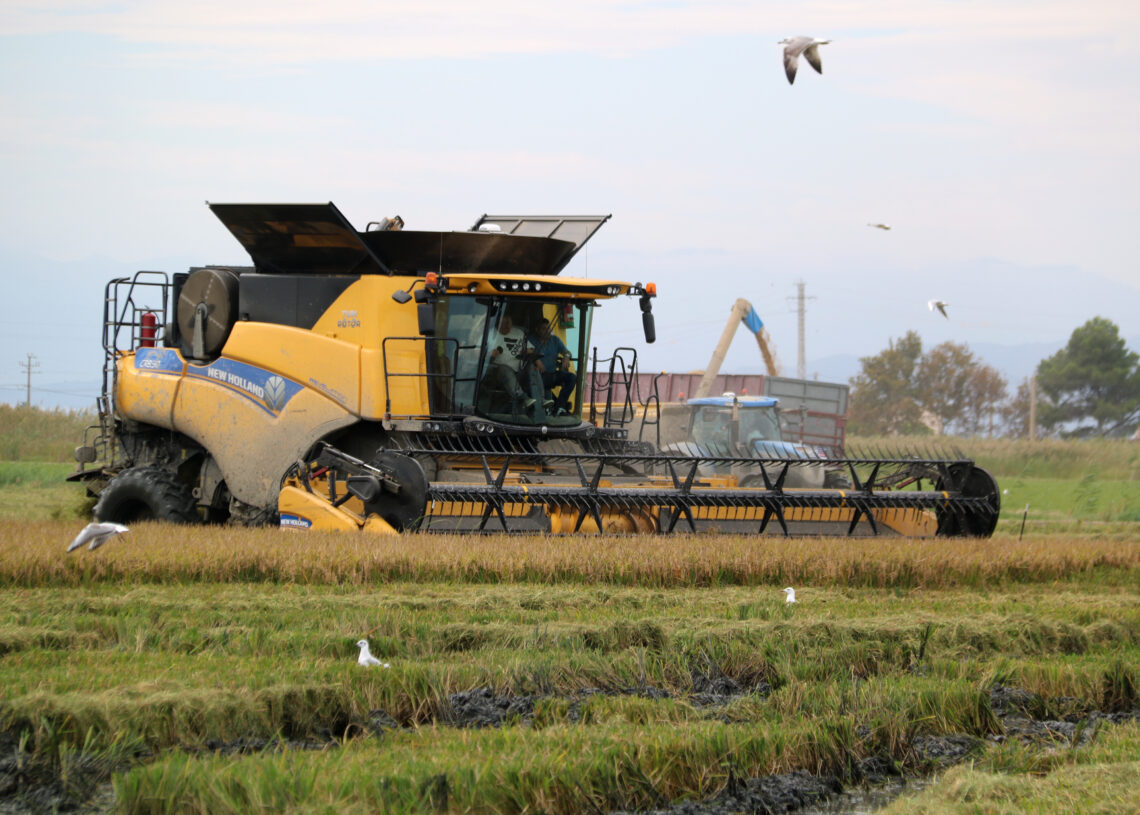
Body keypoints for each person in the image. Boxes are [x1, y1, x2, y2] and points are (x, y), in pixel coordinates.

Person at [483, 313, 542, 414]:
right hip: (499, 373)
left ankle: (541, 399)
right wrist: (489, 354)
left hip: (520, 369)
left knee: (532, 367)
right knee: (504, 369)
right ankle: (522, 398)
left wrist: (528, 352)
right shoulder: (490, 334)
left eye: (508, 323)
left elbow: (531, 349)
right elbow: (477, 352)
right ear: (498, 323)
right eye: (503, 323)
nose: (506, 325)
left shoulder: (518, 332)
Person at [529, 318, 577, 415]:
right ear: (537, 330)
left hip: (552, 374)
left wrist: (566, 357)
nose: (547, 331)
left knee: (572, 377)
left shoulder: (555, 340)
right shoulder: (531, 340)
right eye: (544, 329)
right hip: (537, 375)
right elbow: (527, 352)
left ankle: (560, 406)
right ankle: (547, 408)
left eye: (549, 329)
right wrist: (536, 359)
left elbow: (567, 352)